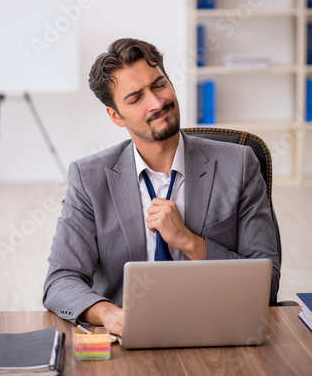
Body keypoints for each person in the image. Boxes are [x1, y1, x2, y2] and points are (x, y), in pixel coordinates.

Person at [43, 38, 280, 336]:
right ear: (116, 115)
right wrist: (109, 314)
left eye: (159, 85)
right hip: (128, 335)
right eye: (135, 98)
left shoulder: (240, 164)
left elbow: (267, 282)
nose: (156, 103)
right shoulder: (89, 178)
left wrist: (190, 242)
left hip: (217, 328)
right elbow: (60, 280)